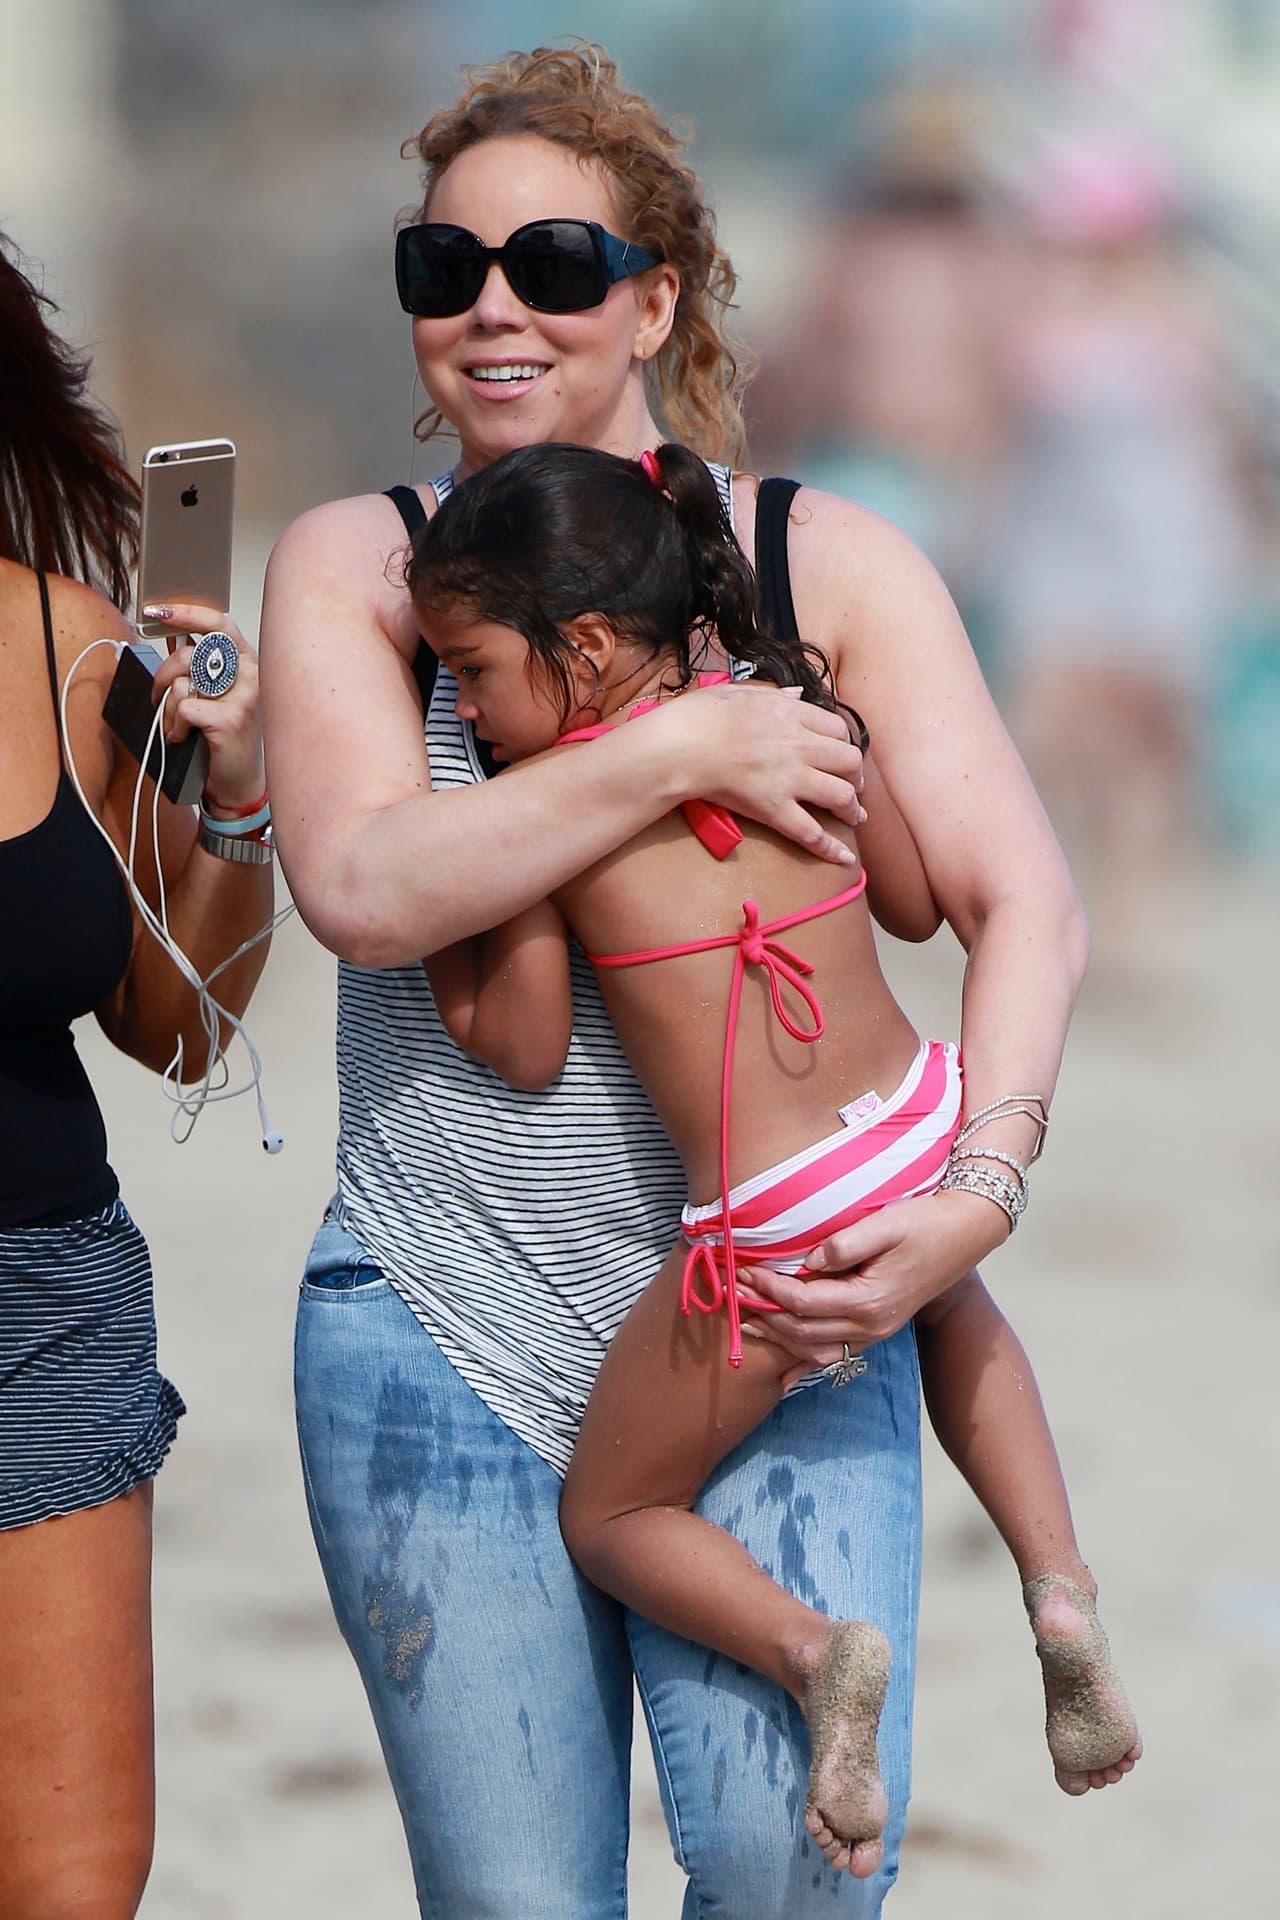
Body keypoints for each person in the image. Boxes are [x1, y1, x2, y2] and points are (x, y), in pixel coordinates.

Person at [261, 44, 1093, 1916]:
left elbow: (1019, 898)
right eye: (441, 270)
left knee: (796, 1884)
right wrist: (677, 755)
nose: (490, 309)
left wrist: (982, 1191)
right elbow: (365, 885)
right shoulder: (365, 574)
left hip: (791, 1307)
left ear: (655, 300)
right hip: (434, 1322)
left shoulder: (821, 559)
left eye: (552, 264)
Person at [406, 437, 1141, 1876]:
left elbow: (525, 1042)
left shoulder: (559, 824)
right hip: (920, 1118)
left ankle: (814, 1655)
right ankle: (1057, 1590)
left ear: (590, 647)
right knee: (949, 1311)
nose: (472, 714)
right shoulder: (795, 715)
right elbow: (921, 899)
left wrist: (477, 900)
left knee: (611, 1510)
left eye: (477, 673)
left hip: (774, 1211)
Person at [0, 234, 272, 1915]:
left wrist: (234, 804)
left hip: (38, 1306)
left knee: (73, 1881)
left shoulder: (74, 647)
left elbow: (183, 1027)